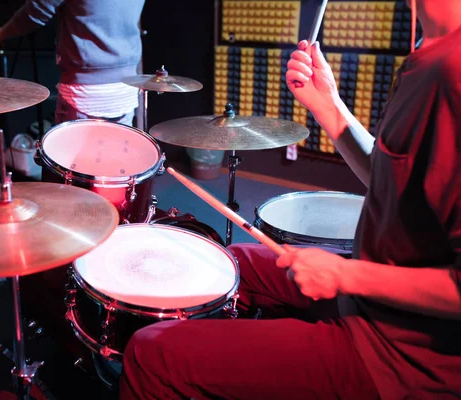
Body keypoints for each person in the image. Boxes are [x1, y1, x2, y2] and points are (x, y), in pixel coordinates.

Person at [118, 0, 461, 398]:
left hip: (398, 357)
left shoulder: (452, 73)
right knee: (232, 264)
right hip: (366, 298)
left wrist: (346, 275)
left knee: (151, 356)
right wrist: (328, 106)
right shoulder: (427, 51)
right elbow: (393, 178)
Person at [0, 0, 144, 126]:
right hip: (126, 85)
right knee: (117, 161)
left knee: (75, 166)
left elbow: (36, 11)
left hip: (86, 91)